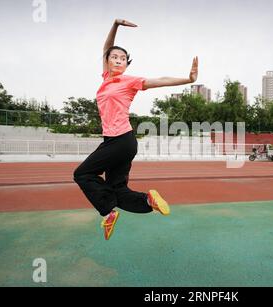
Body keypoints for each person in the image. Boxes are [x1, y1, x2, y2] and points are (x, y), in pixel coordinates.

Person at [74, 19, 198, 240]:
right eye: (114, 57)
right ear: (107, 61)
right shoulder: (106, 78)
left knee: (82, 173)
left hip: (121, 139)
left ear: (126, 64)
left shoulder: (129, 81)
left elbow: (160, 80)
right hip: (117, 141)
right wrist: (115, 25)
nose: (118, 60)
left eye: (123, 59)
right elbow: (106, 47)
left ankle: (107, 211)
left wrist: (187, 79)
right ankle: (148, 201)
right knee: (118, 190)